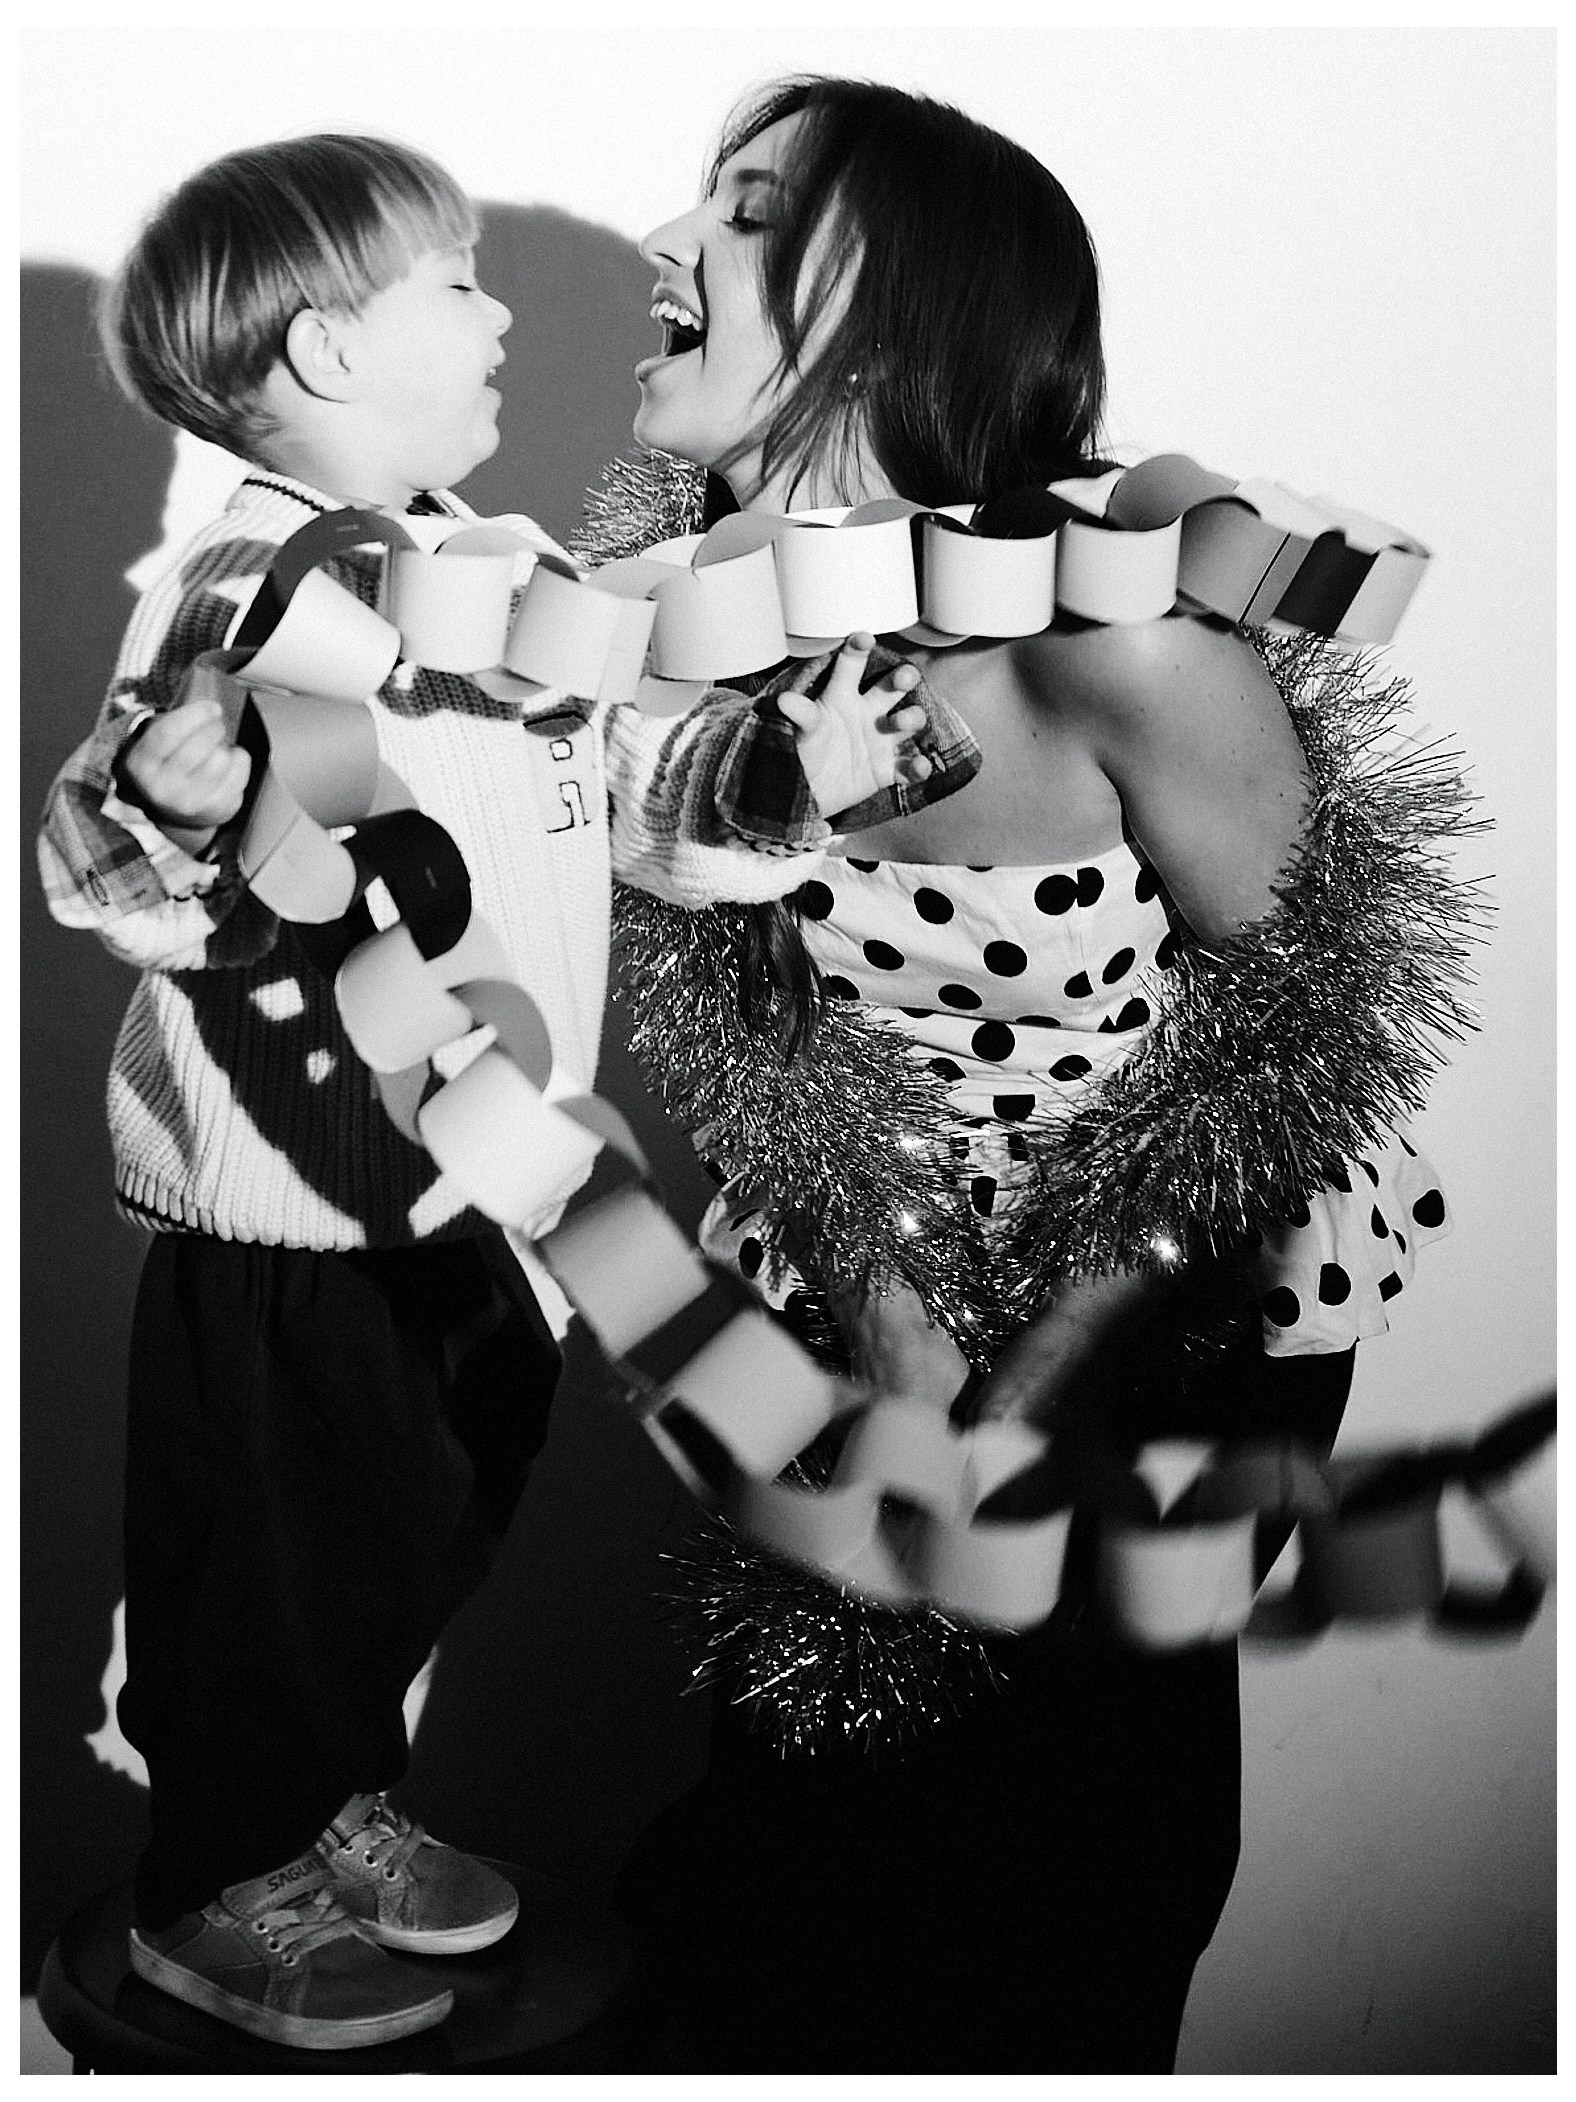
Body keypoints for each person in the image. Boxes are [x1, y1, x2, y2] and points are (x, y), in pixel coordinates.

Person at [36, 129, 965, 2052]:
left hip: (482, 1189)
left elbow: (632, 808)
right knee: (283, 1565)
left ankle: (327, 1803)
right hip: (301, 1211)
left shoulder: (502, 573)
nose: (504, 313)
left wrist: (784, 783)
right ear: (325, 351)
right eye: (457, 283)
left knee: (422, 1531)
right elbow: (107, 875)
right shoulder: (239, 594)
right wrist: (164, 808)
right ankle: (215, 1887)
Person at [601, 77, 1467, 2073]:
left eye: (747, 212)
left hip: (1173, 1269)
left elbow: (1299, 1030)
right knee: (796, 1828)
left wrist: (1040, 1363)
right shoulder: (694, 640)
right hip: (867, 1234)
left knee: (1051, 1856)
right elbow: (756, 1018)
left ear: (912, 310)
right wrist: (898, 1325)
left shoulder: (1122, 652)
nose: (667, 245)